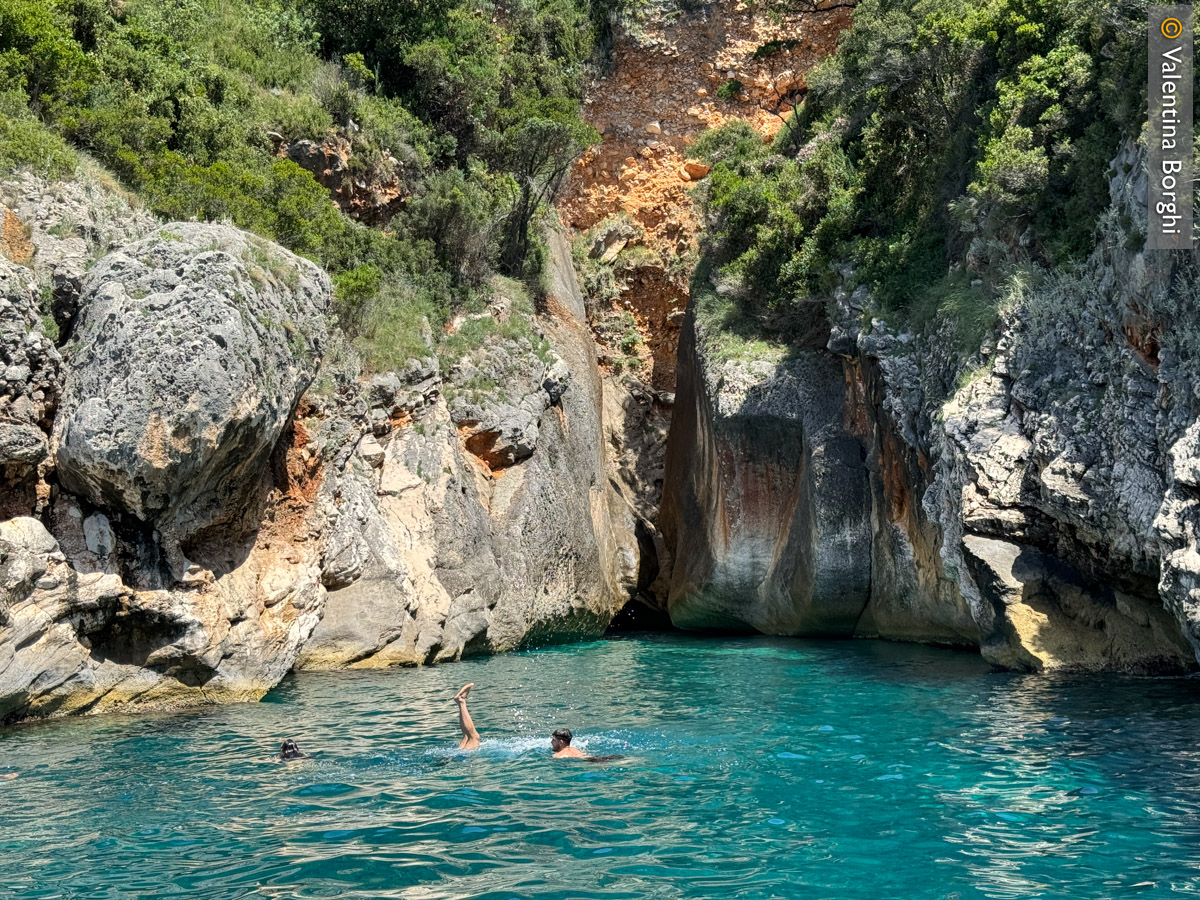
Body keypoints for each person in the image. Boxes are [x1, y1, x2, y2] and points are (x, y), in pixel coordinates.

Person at [453, 683, 481, 750]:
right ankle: (461, 701)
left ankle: (461, 702)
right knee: (474, 737)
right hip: (462, 757)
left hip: (460, 757)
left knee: (466, 737)